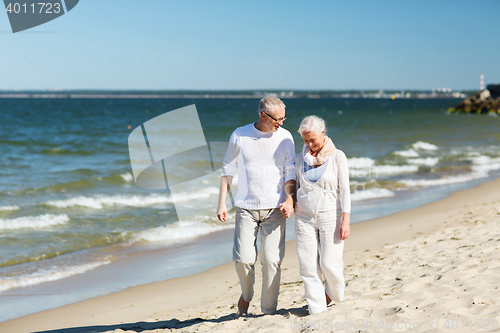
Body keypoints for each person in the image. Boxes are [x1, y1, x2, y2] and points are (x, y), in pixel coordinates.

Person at [217, 96, 296, 315]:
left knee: (271, 262)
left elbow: (290, 171)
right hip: (245, 207)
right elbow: (227, 169)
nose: (281, 123)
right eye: (277, 119)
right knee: (243, 260)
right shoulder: (240, 135)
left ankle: (268, 312)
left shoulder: (286, 137)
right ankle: (247, 295)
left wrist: (289, 199)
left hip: (275, 207)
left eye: (283, 118)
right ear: (263, 115)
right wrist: (222, 203)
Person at [294, 115, 351, 315]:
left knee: (328, 263)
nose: (310, 144)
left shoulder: (338, 156)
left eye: (313, 140)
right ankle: (317, 309)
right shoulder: (299, 159)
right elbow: (294, 186)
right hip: (303, 217)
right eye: (305, 140)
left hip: (331, 215)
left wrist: (346, 220)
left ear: (323, 134)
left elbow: (345, 190)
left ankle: (334, 293)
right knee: (308, 265)